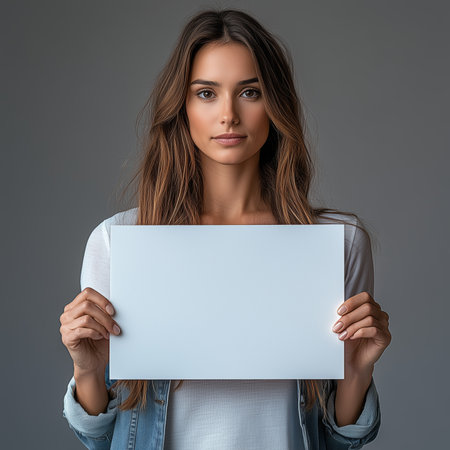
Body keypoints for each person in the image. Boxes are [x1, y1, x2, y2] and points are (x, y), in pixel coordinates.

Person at [60, 8, 391, 450]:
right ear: (182, 105)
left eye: (250, 92)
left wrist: (358, 373)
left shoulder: (338, 243)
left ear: (275, 105)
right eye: (206, 93)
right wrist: (88, 371)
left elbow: (337, 441)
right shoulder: (118, 242)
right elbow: (103, 441)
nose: (229, 115)